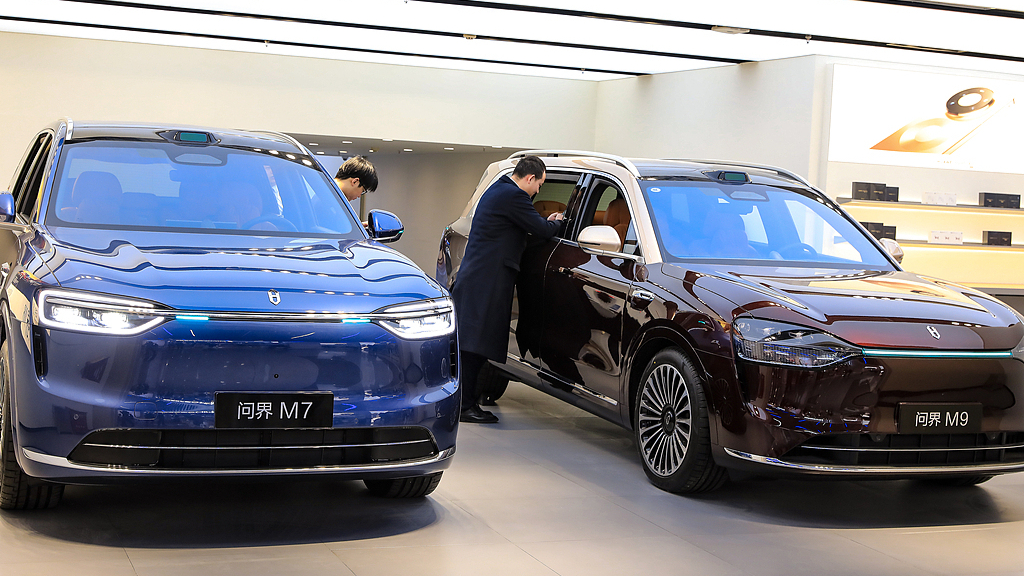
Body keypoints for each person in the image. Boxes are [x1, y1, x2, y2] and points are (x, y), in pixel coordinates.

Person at [451, 155, 564, 423]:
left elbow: (524, 226)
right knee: (475, 345)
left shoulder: (500, 188)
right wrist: (558, 222)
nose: (538, 191)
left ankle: (465, 403)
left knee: (474, 343)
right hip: (486, 281)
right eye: (539, 185)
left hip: (480, 278)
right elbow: (541, 229)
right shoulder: (514, 196)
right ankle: (465, 406)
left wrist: (544, 221)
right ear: (530, 178)